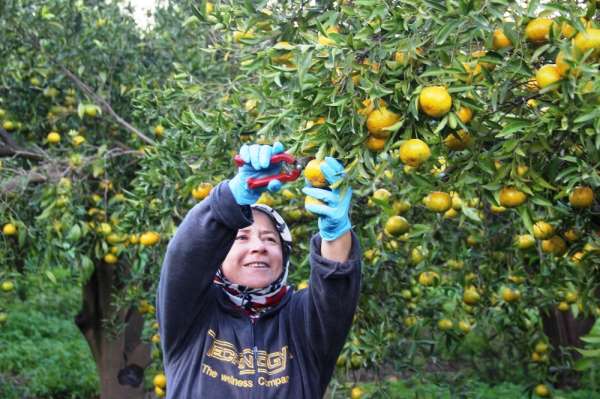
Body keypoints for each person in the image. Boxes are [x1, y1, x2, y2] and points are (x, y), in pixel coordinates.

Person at [156, 142, 362, 398]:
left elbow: (335, 288)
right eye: (241, 238)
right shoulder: (191, 318)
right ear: (218, 253)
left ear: (284, 254)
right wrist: (229, 201)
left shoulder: (301, 322)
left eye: (270, 239)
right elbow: (185, 258)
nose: (258, 247)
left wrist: (336, 234)